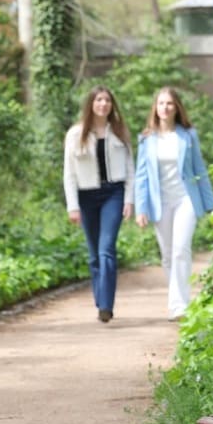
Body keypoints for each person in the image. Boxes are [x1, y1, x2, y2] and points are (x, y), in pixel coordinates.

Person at [134, 87, 213, 320]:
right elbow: (141, 177)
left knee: (181, 250)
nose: (165, 108)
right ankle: (177, 300)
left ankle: (179, 306)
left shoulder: (188, 135)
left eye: (170, 103)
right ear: (155, 108)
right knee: (168, 255)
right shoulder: (147, 139)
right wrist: (141, 208)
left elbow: (200, 169)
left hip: (185, 199)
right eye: (161, 103)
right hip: (160, 203)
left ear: (176, 107)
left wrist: (210, 204)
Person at [63, 85, 135, 324]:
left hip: (113, 193)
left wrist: (128, 200)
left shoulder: (119, 132)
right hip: (86, 195)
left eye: (107, 100)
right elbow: (69, 174)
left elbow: (130, 170)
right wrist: (72, 206)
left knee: (106, 249)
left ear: (112, 105)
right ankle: (100, 300)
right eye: (98, 100)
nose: (103, 104)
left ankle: (106, 305)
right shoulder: (75, 134)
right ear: (91, 104)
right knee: (94, 255)